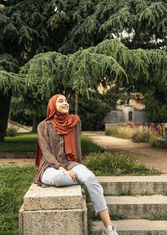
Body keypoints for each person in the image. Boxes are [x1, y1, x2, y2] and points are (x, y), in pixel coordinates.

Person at [33, 94, 118, 235]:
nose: (65, 103)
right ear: (53, 105)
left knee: (90, 178)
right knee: (59, 178)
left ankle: (109, 228)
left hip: (71, 163)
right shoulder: (43, 126)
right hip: (50, 166)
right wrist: (62, 169)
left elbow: (77, 146)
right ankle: (76, 179)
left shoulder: (74, 122)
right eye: (61, 101)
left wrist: (79, 167)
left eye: (66, 101)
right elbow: (46, 152)